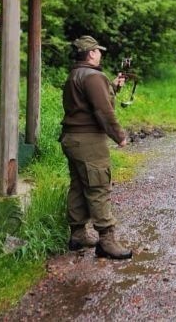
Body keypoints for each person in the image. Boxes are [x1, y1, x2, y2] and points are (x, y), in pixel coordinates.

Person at [60, 35, 132, 260]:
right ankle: (107, 240)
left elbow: (89, 103)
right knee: (99, 186)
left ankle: (78, 234)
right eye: (98, 51)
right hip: (89, 140)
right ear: (91, 53)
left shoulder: (75, 74)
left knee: (79, 186)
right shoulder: (93, 76)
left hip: (72, 139)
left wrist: (113, 88)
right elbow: (103, 111)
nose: (100, 54)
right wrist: (119, 135)